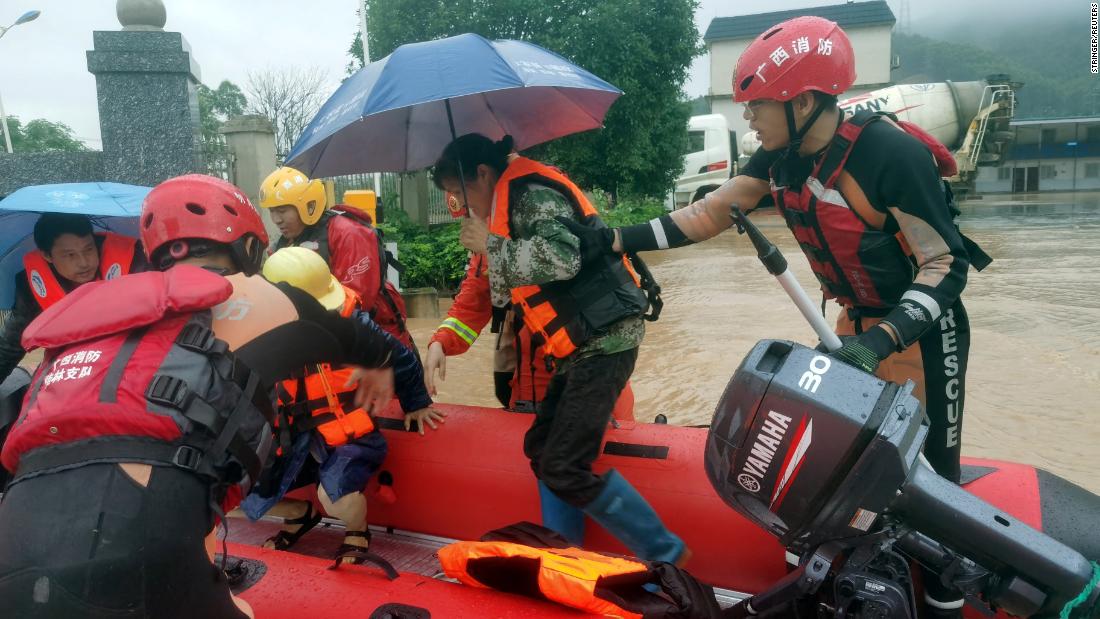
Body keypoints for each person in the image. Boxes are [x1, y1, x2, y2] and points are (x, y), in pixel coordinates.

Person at [565, 16, 989, 616]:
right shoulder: (781, 157)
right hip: (851, 328)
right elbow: (708, 215)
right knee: (845, 469)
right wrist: (615, 240)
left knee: (935, 482)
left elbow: (945, 264)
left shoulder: (889, 155)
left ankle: (947, 605)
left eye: (758, 105)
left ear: (807, 101)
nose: (749, 119)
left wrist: (883, 337)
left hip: (920, 330)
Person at [0, 174, 401, 619]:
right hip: (149, 537)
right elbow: (361, 338)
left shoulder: (90, 319)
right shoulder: (271, 297)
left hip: (14, 540)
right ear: (248, 248)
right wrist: (381, 366)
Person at [431, 133, 686, 564]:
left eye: (460, 194)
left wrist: (490, 245)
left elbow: (562, 259)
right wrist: (442, 341)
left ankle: (665, 551)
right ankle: (565, 552)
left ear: (482, 173)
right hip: (574, 347)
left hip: (605, 339)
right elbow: (479, 292)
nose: (464, 206)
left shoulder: (531, 198)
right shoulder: (499, 213)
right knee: (541, 447)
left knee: (564, 466)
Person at [241, 246, 444, 567]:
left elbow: (400, 357)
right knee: (236, 486)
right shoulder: (264, 332)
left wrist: (416, 403)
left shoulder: (354, 326)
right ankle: (299, 514)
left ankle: (357, 530)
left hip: (349, 433)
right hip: (294, 433)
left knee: (334, 495)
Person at [424, 241, 635, 420]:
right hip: (529, 385)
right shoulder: (491, 245)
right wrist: (440, 342)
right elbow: (472, 303)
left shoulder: (564, 235)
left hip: (587, 379)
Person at [258, 166, 413, 350]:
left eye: (282, 211)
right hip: (320, 338)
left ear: (307, 205)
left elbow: (357, 300)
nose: (276, 219)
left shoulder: (347, 233)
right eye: (272, 211)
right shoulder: (283, 245)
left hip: (375, 338)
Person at [0, 213, 147, 384]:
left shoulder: (135, 263)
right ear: (47, 256)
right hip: (72, 370)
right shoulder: (33, 285)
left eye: (89, 249)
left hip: (130, 363)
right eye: (70, 255)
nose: (84, 262)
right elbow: (10, 347)